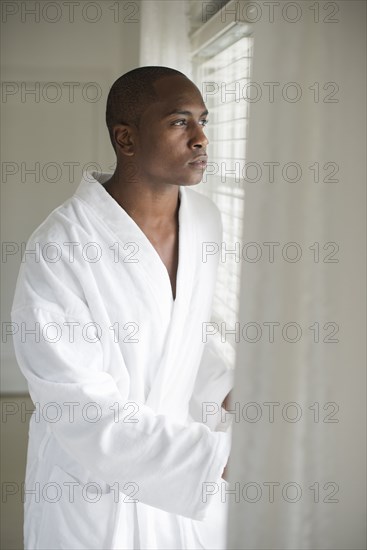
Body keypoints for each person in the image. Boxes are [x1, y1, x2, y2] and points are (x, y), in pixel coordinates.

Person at [11, 66, 233, 550]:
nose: (200, 138)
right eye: (179, 122)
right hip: (93, 494)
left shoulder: (207, 222)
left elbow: (184, 337)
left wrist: (228, 390)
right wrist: (215, 459)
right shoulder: (62, 246)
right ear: (126, 138)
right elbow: (76, 405)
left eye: (203, 121)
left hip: (184, 491)